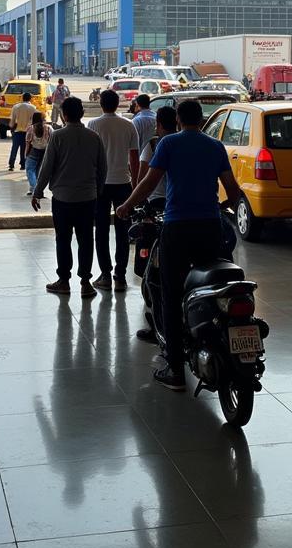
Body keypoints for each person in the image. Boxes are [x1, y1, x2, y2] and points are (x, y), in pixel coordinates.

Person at [116, 99, 240, 390]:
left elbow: (149, 182)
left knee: (170, 294)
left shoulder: (169, 144)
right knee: (209, 286)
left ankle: (174, 369)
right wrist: (225, 205)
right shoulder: (215, 146)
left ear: (180, 120)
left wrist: (125, 206)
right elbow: (232, 187)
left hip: (177, 227)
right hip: (210, 226)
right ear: (200, 119)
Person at [32, 96, 107, 298]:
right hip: (87, 198)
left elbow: (47, 167)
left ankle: (64, 281)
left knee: (63, 239)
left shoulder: (57, 136)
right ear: (81, 114)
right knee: (85, 240)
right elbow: (103, 169)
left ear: (64, 115)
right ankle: (85, 282)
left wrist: (37, 192)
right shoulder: (94, 137)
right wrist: (97, 191)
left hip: (63, 199)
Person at [88, 89, 140, 291]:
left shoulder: (93, 125)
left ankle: (105, 275)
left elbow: (90, 158)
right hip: (123, 184)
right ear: (118, 104)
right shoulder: (128, 125)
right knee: (123, 231)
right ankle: (120, 276)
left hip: (100, 185)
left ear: (101, 104)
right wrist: (135, 186)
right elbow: (134, 159)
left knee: (100, 231)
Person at [134, 105, 177, 346]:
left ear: (158, 124)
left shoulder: (154, 145)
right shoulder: (202, 143)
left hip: (158, 207)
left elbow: (144, 180)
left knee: (154, 267)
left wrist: (130, 204)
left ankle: (161, 325)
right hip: (181, 205)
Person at [25, 111, 52, 196]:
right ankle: (36, 189)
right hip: (45, 152)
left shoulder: (31, 128)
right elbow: (52, 141)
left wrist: (26, 154)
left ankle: (35, 189)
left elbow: (28, 143)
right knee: (39, 172)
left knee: (30, 170)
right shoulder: (48, 128)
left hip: (34, 151)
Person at [8, 91, 35, 171]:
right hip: (27, 132)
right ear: (30, 99)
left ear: (22, 98)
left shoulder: (16, 107)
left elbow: (12, 121)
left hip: (17, 131)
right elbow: (33, 121)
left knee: (14, 148)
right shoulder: (32, 108)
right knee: (24, 149)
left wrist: (11, 127)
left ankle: (11, 165)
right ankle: (23, 164)